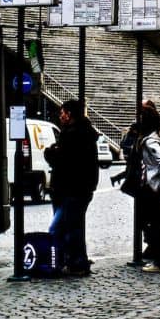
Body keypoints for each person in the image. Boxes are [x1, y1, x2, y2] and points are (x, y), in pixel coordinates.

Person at [44, 99, 99, 276]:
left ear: (70, 114)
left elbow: (63, 161)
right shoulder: (84, 133)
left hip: (70, 188)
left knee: (58, 227)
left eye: (62, 112)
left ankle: (70, 261)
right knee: (74, 226)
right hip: (80, 188)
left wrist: (50, 153)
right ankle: (76, 261)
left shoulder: (72, 135)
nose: (60, 115)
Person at [138, 104, 160, 272]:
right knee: (157, 223)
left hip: (154, 187)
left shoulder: (151, 141)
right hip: (157, 186)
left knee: (157, 224)